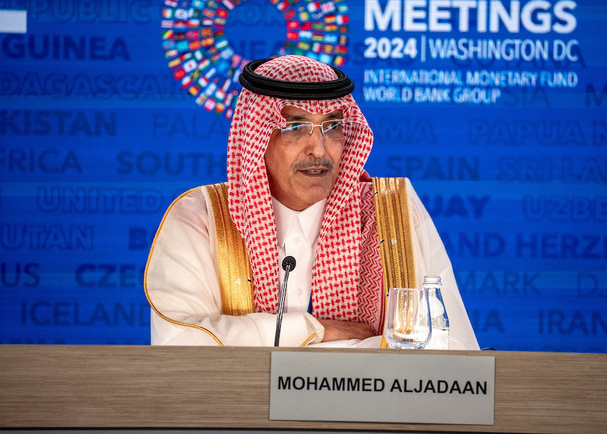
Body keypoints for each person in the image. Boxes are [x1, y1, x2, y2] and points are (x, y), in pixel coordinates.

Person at [144, 55, 479, 349]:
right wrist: (315, 331)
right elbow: (180, 344)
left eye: (332, 126)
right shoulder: (200, 218)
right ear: (256, 136)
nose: (319, 149)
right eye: (295, 126)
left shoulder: (393, 210)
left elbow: (451, 348)